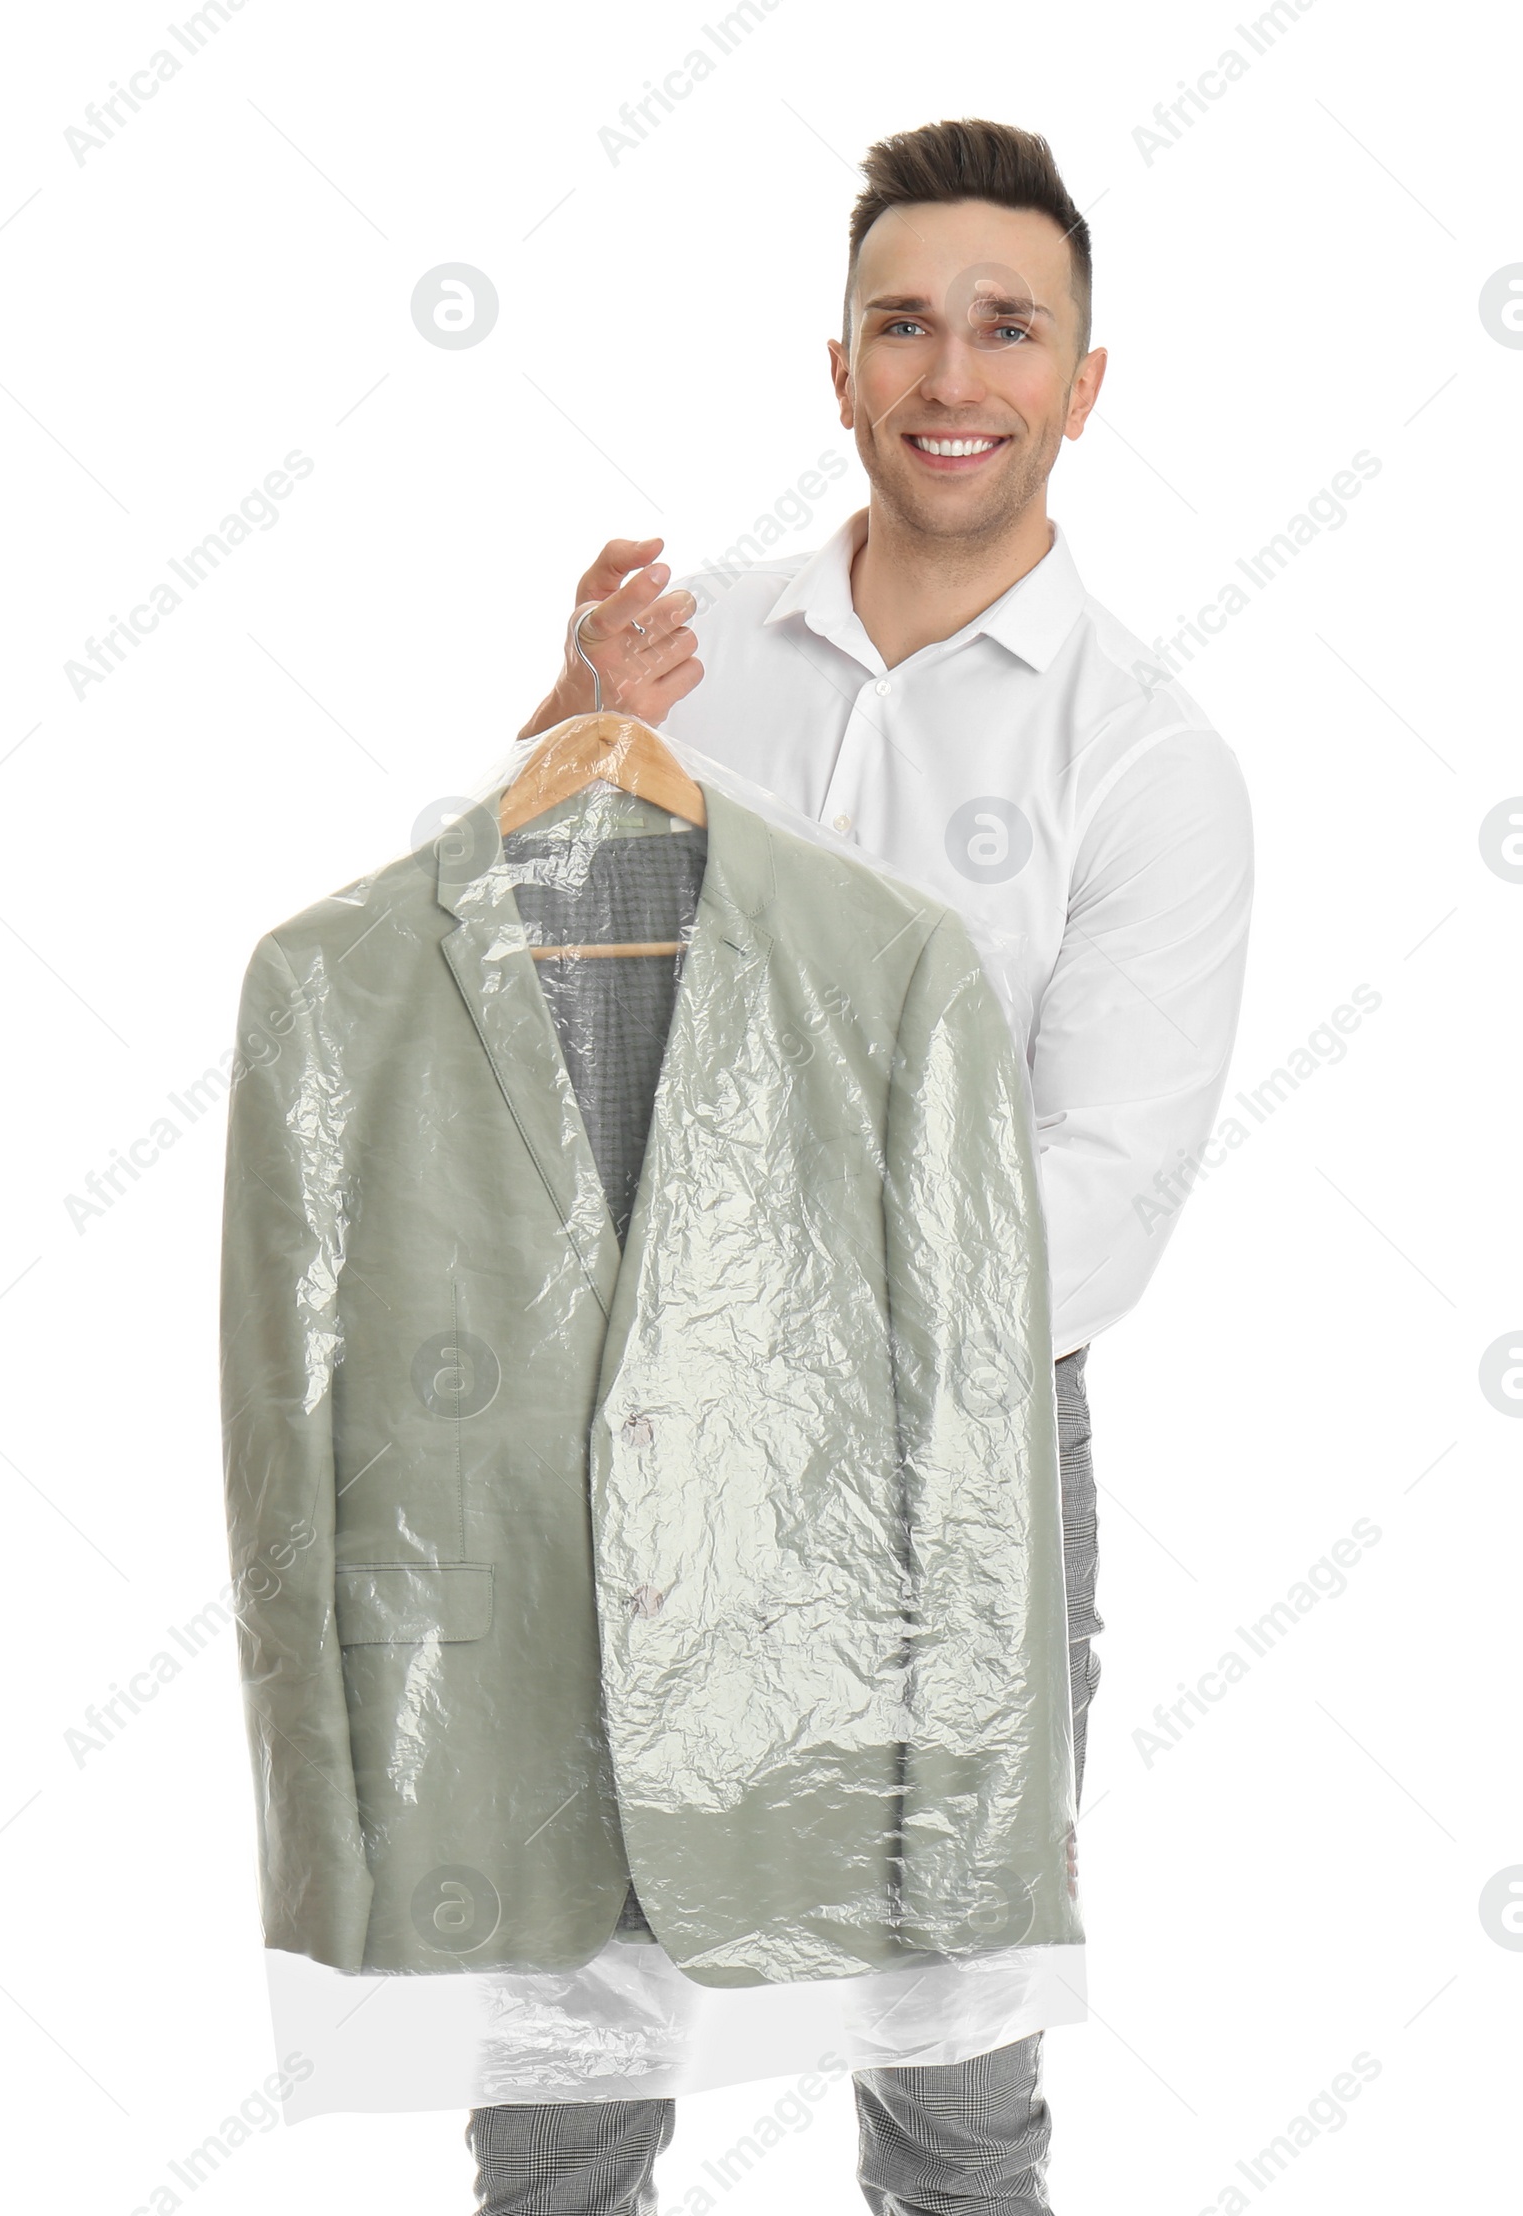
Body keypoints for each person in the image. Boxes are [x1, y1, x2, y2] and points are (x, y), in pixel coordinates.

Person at [494, 116, 1255, 2215]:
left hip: (956, 1474)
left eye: (1005, 328)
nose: (949, 374)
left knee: (950, 2083)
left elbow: (1091, 1206)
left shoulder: (1143, 762)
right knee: (565, 2059)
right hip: (625, 1444)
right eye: (901, 323)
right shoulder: (693, 658)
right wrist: (564, 731)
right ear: (834, 365)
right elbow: (498, 1019)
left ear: (1080, 384)